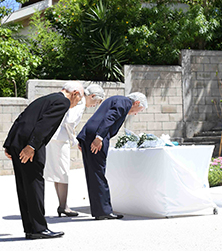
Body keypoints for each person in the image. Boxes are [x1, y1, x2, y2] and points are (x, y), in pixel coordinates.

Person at [3, 81, 84, 240]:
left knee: (24, 187)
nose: (76, 104)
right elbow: (44, 125)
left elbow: (22, 118)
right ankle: (39, 229)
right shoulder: (63, 101)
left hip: (17, 142)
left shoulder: (47, 98)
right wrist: (31, 146)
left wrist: (9, 143)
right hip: (29, 146)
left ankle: (31, 228)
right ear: (74, 93)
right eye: (78, 100)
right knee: (34, 186)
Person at [77, 92, 148, 220]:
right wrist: (99, 137)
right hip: (97, 136)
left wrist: (83, 137)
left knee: (93, 174)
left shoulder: (117, 99)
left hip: (89, 135)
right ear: (136, 103)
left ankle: (100, 210)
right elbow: (109, 118)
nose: (136, 113)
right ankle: (104, 211)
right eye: (139, 110)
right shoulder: (125, 102)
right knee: (98, 173)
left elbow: (97, 117)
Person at [44, 84, 105, 217]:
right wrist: (75, 140)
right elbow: (69, 122)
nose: (95, 105)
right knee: (63, 171)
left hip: (54, 138)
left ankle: (62, 205)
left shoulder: (79, 101)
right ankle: (63, 206)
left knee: (58, 172)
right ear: (92, 96)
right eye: (97, 102)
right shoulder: (80, 102)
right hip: (60, 139)